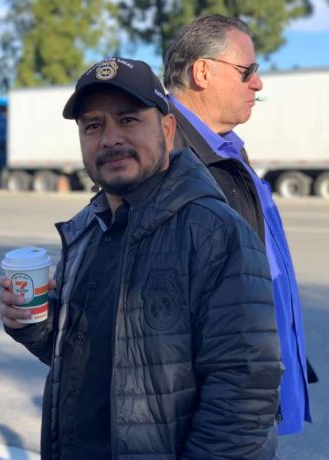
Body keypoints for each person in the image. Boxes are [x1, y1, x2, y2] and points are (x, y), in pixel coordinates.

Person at [0, 56, 282, 459]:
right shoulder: (86, 230)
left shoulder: (215, 232)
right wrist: (32, 325)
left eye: (128, 119)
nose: (110, 138)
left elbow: (243, 397)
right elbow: (94, 358)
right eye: (93, 126)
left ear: (167, 130)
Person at [163, 14, 312, 436]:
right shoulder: (165, 156)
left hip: (249, 390)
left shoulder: (225, 149)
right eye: (247, 72)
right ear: (202, 71)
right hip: (221, 412)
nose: (258, 84)